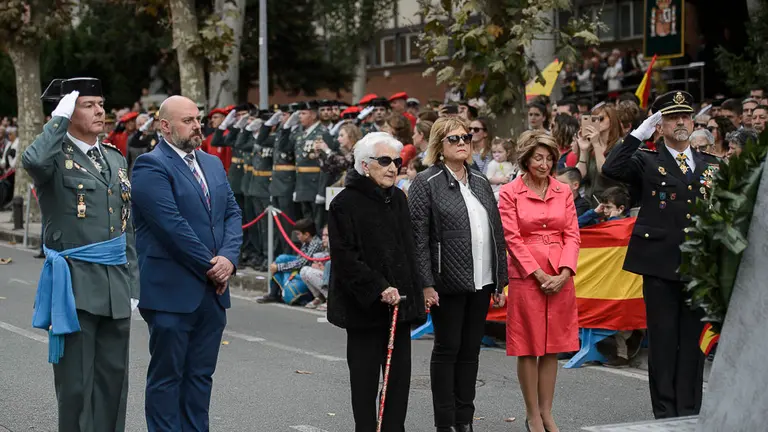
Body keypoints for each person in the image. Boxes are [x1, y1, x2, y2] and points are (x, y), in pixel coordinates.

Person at [23, 78, 139, 432]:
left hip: (115, 284)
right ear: (67, 112)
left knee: (113, 383)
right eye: (88, 104)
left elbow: (126, 225)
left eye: (101, 103)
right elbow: (34, 160)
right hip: (73, 285)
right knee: (76, 385)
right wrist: (56, 121)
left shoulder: (115, 158)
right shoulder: (54, 158)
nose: (100, 111)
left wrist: (133, 283)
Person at [602, 90, 721, 419]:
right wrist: (639, 133)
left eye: (684, 116)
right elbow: (612, 168)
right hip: (659, 266)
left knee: (694, 347)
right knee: (665, 344)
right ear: (660, 125)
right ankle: (666, 416)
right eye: (671, 117)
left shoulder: (712, 164)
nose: (680, 122)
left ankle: (690, 413)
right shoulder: (646, 160)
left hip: (699, 270)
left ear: (693, 121)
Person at [130, 95, 243, 431]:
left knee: (200, 378)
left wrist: (229, 259)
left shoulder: (211, 163)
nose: (198, 126)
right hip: (171, 293)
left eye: (198, 119)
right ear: (165, 126)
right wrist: (213, 265)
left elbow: (233, 214)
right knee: (168, 378)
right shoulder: (151, 165)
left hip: (211, 294)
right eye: (188, 120)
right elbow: (171, 227)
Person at [409, 117, 507, 432]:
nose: (462, 142)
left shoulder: (479, 180)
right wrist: (425, 283)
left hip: (482, 279)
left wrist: (500, 279)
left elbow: (496, 231)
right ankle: (445, 421)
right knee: (447, 348)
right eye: (454, 139)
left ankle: (464, 419)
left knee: (470, 351)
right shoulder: (426, 182)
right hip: (445, 282)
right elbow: (417, 239)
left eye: (466, 137)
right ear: (439, 145)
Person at [327, 132, 426, 432]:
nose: (393, 167)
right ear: (365, 165)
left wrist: (419, 291)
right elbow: (345, 258)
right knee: (365, 382)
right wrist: (378, 287)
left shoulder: (398, 198)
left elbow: (408, 250)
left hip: (400, 307)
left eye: (396, 161)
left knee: (398, 381)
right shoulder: (344, 203)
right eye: (385, 161)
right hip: (364, 308)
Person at [498, 130, 580, 432]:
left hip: (560, 273)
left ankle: (547, 412)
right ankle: (532, 413)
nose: (544, 164)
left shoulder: (563, 190)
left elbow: (572, 234)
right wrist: (539, 273)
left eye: (549, 158)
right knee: (528, 346)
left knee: (552, 347)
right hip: (526, 274)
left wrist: (564, 272)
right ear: (526, 160)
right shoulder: (510, 192)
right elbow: (512, 238)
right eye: (538, 158)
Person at [260, 218, 323, 304]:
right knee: (281, 259)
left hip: (308, 270)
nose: (297, 237)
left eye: (298, 234)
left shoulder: (316, 244)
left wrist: (279, 267)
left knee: (280, 266)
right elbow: (299, 258)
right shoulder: (306, 242)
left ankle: (276, 294)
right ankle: (273, 294)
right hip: (302, 267)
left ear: (307, 234)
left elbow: (302, 263)